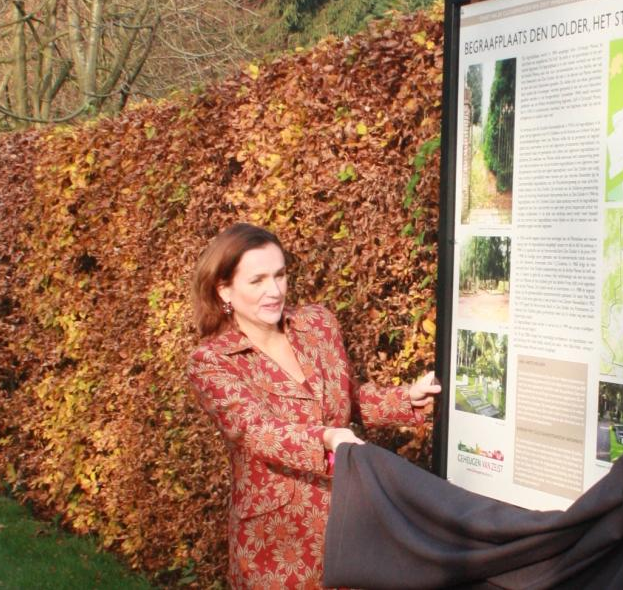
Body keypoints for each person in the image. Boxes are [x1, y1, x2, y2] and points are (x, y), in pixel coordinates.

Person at [187, 222, 440, 588]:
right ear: (224, 289)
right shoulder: (212, 361)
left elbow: (347, 398)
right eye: (257, 281)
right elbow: (256, 431)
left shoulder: (317, 325)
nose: (274, 291)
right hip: (277, 540)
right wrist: (327, 438)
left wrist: (406, 399)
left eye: (280, 275)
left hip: (351, 520)